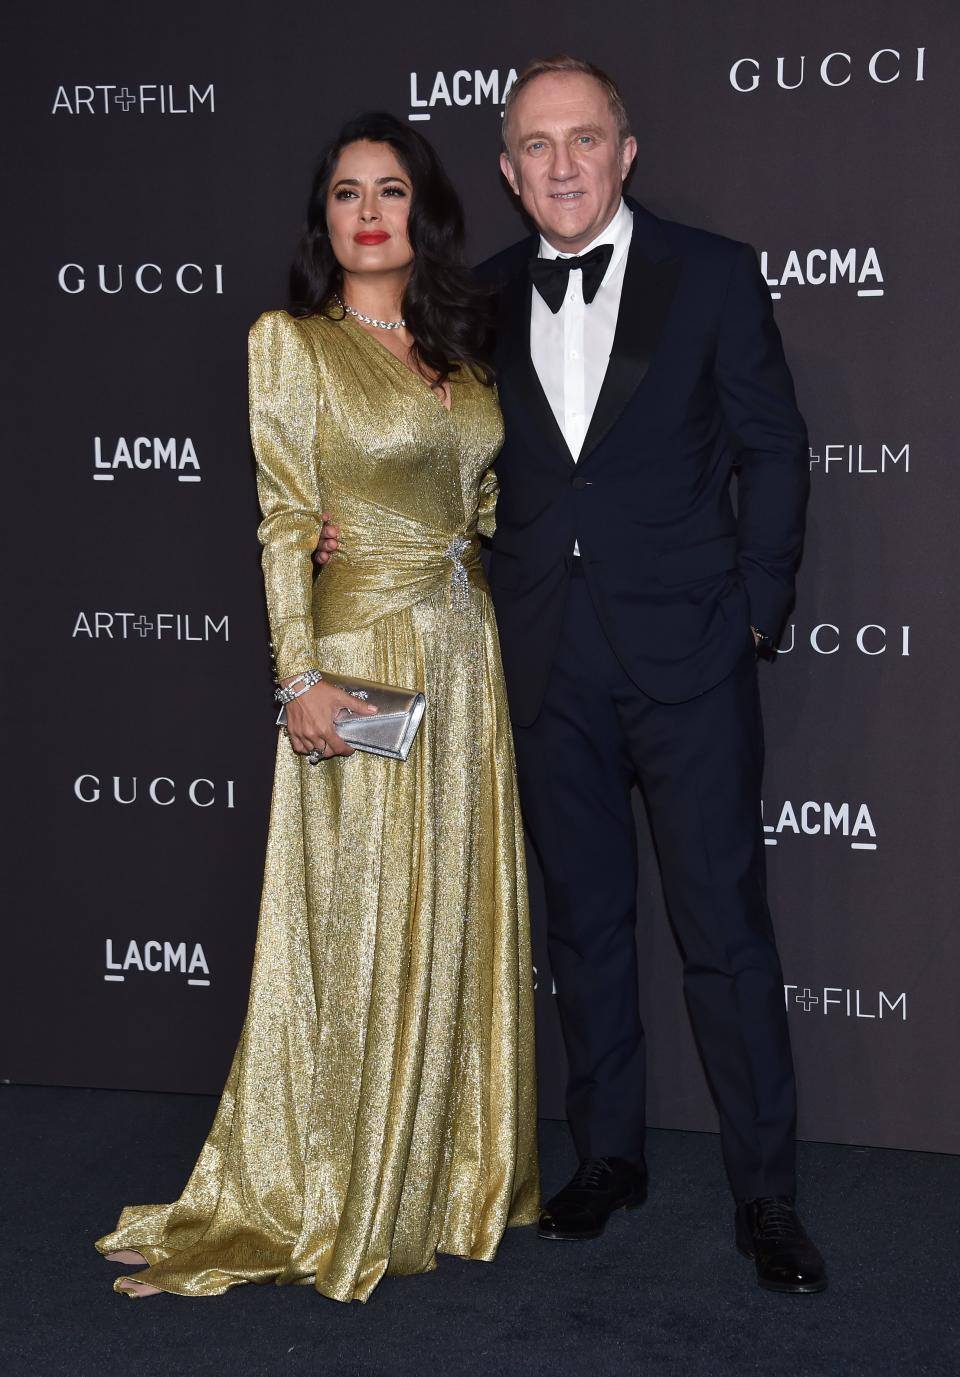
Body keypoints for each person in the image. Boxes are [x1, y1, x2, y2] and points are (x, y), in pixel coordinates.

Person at [316, 56, 827, 1295]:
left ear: (625, 150)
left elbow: (774, 447)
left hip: (692, 659)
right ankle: (607, 1160)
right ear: (505, 169)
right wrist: (353, 527)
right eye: (535, 146)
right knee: (587, 931)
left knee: (725, 935)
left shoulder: (710, 273)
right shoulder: (477, 300)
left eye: (582, 139)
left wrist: (755, 617)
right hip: (542, 660)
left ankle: (766, 1196)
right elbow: (425, 451)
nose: (560, 165)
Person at [95, 112, 539, 1304]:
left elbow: (477, 503)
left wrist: (453, 540)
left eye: (391, 189)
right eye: (347, 194)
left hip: (465, 652)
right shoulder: (290, 342)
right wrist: (299, 678)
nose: (370, 210)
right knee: (353, 924)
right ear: (324, 221)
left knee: (452, 907)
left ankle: (442, 1176)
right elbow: (287, 516)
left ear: (425, 212)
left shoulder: (466, 349)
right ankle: (322, 1179)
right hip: (362, 654)